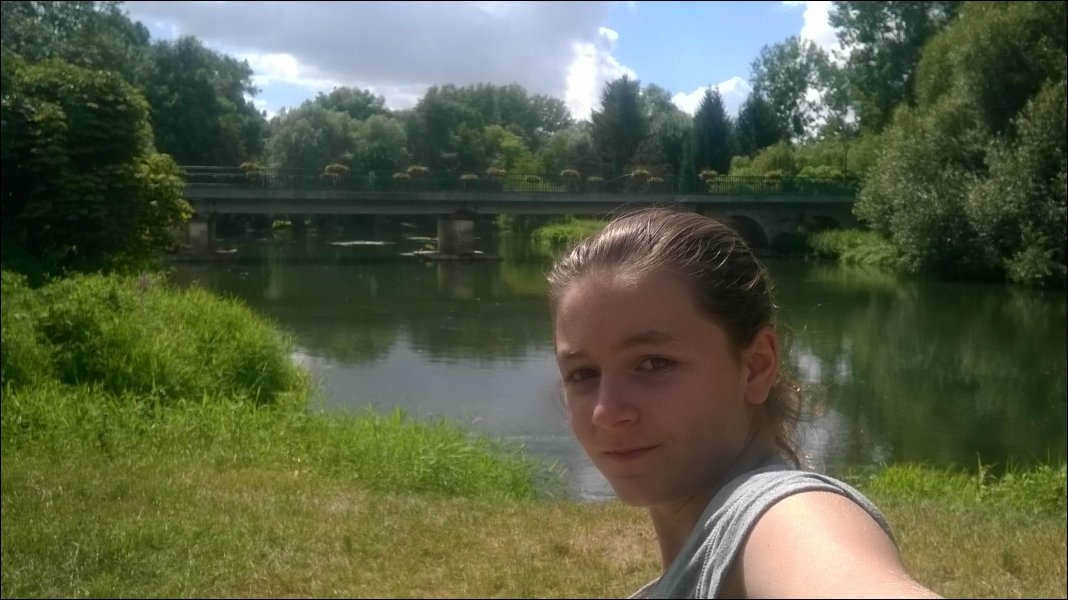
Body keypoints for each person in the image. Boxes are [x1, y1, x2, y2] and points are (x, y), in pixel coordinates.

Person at [547, 207, 940, 599]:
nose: (606, 412)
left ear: (756, 367)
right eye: (583, 373)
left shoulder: (782, 514)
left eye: (653, 363)